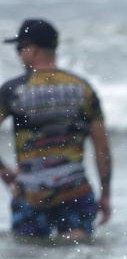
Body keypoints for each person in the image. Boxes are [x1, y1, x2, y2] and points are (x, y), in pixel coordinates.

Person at [0, 19, 112, 243]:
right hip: (75, 190)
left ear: (31, 48)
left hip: (31, 192)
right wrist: (105, 194)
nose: (19, 55)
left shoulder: (13, 91)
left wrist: (5, 172)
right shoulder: (83, 88)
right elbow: (102, 148)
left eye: (19, 48)